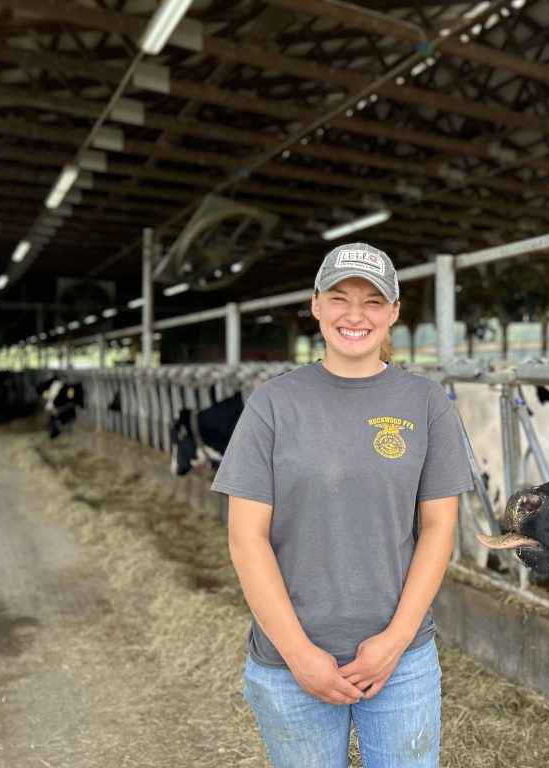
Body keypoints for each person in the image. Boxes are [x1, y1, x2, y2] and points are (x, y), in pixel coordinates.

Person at [212, 242, 474, 768]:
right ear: (315, 305)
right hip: (289, 663)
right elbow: (246, 537)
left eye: (374, 301)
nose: (355, 315)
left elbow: (439, 529)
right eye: (340, 297)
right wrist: (299, 654)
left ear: (395, 313)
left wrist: (395, 641)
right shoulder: (272, 403)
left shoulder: (427, 404)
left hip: (401, 662)